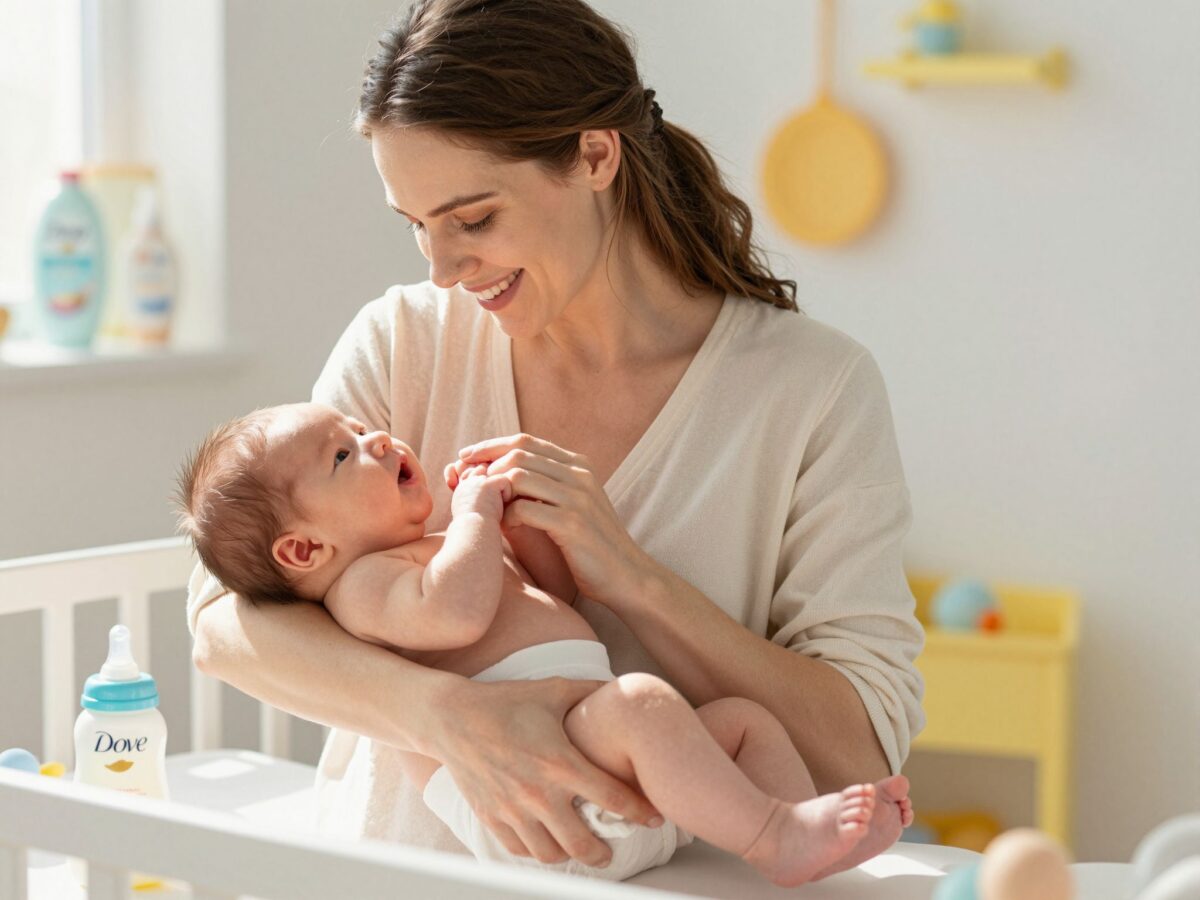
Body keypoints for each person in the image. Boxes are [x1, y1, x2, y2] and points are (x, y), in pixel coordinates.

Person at [187, 0, 925, 872]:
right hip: (398, 872)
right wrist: (450, 720)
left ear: (595, 155)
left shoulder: (811, 388)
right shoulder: (403, 343)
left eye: (474, 219)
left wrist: (635, 579)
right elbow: (223, 626)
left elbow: (861, 754)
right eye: (417, 226)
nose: (441, 268)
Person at [177, 401, 914, 883]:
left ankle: (803, 843)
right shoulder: (365, 586)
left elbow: (553, 601)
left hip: (603, 763)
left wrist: (529, 525)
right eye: (342, 457)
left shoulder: (437, 547)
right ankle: (774, 834)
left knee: (742, 722)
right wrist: (475, 518)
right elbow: (456, 618)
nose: (373, 438)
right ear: (305, 552)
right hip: (537, 803)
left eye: (357, 430)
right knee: (646, 702)